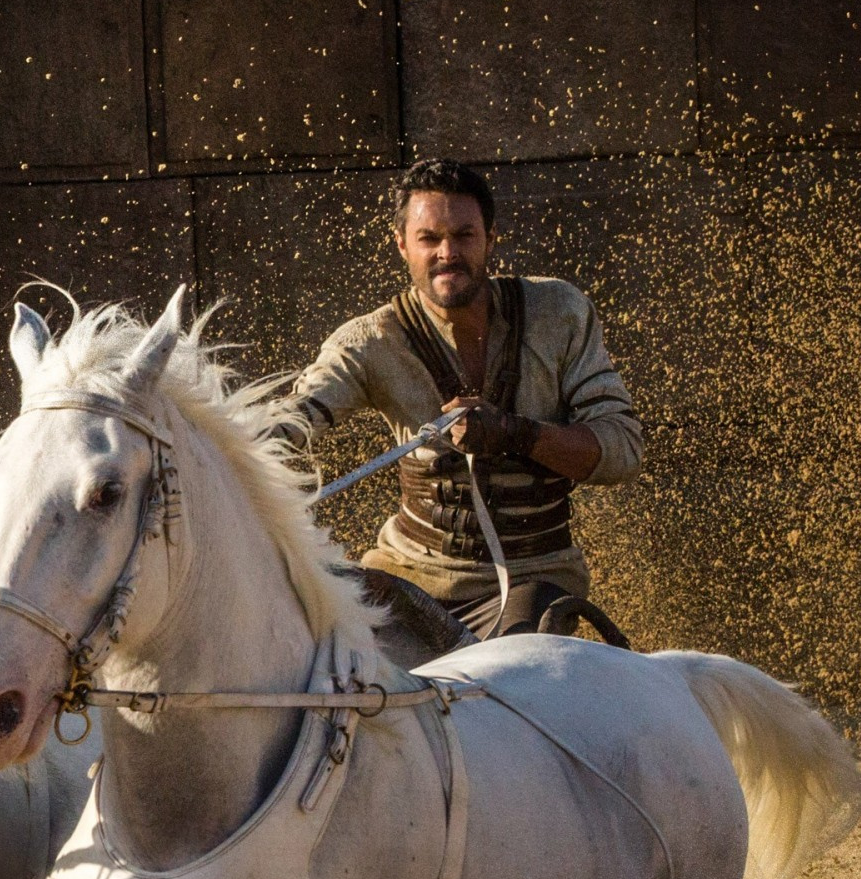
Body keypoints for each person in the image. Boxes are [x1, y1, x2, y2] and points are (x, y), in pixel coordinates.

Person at [265, 159, 645, 639]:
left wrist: (515, 433)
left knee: (506, 675)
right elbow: (290, 420)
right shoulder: (366, 341)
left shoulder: (560, 312)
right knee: (323, 661)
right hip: (406, 576)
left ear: (490, 238)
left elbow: (624, 451)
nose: (448, 253)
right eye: (429, 238)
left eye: (464, 236)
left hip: (536, 580)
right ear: (402, 244)